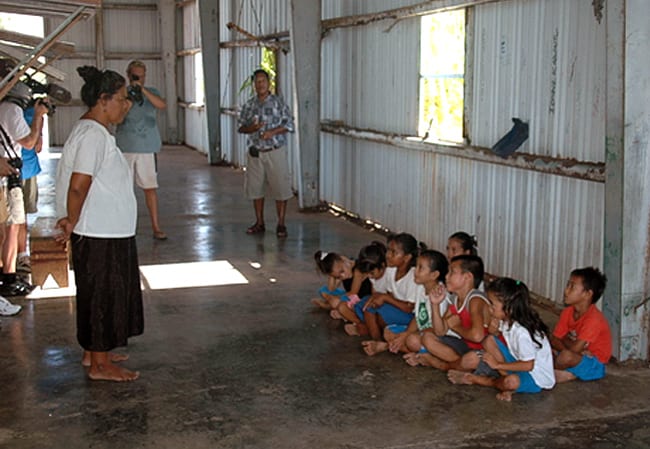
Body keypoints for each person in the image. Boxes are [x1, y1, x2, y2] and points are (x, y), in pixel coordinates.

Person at [55, 65, 142, 382]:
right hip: (100, 233)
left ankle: (95, 351)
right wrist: (71, 221)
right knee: (103, 296)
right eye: (121, 98)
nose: (126, 105)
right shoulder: (93, 135)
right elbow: (78, 185)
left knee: (96, 294)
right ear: (103, 100)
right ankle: (100, 366)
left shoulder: (93, 131)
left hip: (105, 230)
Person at [447, 278, 556, 401]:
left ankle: (476, 379)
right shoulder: (507, 320)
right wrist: (494, 332)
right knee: (488, 340)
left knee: (510, 382)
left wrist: (497, 364)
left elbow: (528, 365)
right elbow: (499, 338)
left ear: (508, 309)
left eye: (492, 304)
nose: (489, 307)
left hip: (535, 377)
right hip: (518, 361)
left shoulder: (522, 332)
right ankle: (505, 380)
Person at [0, 80, 48, 298]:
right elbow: (29, 142)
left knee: (4, 228)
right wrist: (38, 116)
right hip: (8, 176)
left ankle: (6, 271)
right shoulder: (12, 110)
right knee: (13, 226)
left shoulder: (3, 107)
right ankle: (9, 278)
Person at [361, 249, 450, 358]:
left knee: (412, 341)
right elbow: (417, 318)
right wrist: (406, 333)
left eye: (420, 268)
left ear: (434, 275)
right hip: (420, 332)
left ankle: (387, 346)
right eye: (416, 266)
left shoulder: (440, 295)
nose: (415, 271)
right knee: (389, 332)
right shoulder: (421, 288)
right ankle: (412, 351)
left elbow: (437, 329)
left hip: (435, 336)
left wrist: (408, 335)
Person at [238, 69, 295, 238]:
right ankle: (259, 222)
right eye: (257, 81)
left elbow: (289, 124)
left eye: (263, 81)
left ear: (269, 83)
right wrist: (252, 128)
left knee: (280, 188)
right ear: (253, 84)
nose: (260, 84)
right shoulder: (249, 105)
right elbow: (241, 127)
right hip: (256, 153)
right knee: (255, 189)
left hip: (274, 151)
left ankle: (281, 223)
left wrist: (272, 133)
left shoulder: (278, 103)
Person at [115, 60, 167, 241]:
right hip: (126, 146)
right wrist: (128, 101)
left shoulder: (152, 92)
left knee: (150, 187)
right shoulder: (122, 94)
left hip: (147, 146)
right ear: (128, 76)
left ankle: (156, 226)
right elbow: (116, 118)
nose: (139, 79)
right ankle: (124, 225)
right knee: (124, 188)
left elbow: (161, 105)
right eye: (135, 76)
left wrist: (142, 90)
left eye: (141, 76)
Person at [415, 255, 490, 370]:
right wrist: (435, 304)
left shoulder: (475, 299)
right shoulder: (455, 299)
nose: (446, 276)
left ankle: (443, 365)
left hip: (483, 352)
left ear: (467, 277)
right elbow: (440, 331)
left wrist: (456, 327)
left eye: (452, 272)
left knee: (471, 359)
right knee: (427, 338)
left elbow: (477, 336)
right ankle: (459, 366)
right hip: (465, 347)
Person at [359, 233, 422, 354]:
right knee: (367, 305)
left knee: (374, 311)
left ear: (407, 257)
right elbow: (389, 293)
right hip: (398, 310)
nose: (388, 255)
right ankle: (376, 338)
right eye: (388, 250)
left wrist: (385, 298)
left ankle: (377, 340)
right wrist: (378, 298)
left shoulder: (413, 277)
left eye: (393, 252)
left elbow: (409, 308)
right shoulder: (391, 270)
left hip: (411, 317)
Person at [551, 267, 611, 383]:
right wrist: (565, 346)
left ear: (587, 294)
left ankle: (563, 372)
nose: (566, 291)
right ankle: (565, 371)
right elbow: (554, 340)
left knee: (566, 357)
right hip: (575, 355)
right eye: (568, 285)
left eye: (572, 287)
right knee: (544, 347)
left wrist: (564, 340)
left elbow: (573, 349)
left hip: (594, 363)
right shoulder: (567, 312)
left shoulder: (594, 319)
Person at [16, 103, 45, 281]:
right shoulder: (15, 111)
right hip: (19, 168)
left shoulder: (28, 112)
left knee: (19, 217)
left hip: (26, 167)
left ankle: (20, 254)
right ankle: (19, 255)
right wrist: (38, 117)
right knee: (18, 218)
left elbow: (37, 146)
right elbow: (32, 144)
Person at [311, 250, 371, 317]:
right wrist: (332, 274)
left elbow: (353, 293)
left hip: (362, 298)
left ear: (344, 260)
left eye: (342, 271)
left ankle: (327, 306)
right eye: (338, 276)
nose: (343, 276)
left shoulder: (358, 270)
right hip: (350, 296)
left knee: (334, 302)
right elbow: (331, 289)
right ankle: (337, 308)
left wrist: (334, 298)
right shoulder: (341, 269)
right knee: (323, 291)